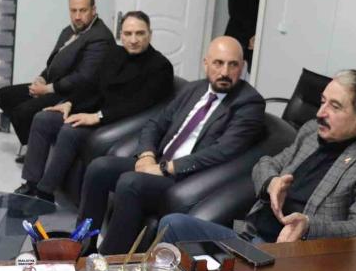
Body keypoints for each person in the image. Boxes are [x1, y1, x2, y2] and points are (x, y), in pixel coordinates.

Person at [159, 70, 356, 245]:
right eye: (322, 102)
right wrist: (271, 182)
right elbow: (267, 163)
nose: (320, 113)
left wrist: (309, 226)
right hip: (248, 235)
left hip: (288, 256)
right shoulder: (311, 132)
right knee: (173, 225)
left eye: (335, 107)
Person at [79, 36, 265, 255]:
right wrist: (146, 155)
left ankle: (109, 261)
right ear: (205, 63)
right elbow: (155, 124)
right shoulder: (194, 89)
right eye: (218, 63)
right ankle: (82, 246)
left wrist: (167, 168)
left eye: (233, 65)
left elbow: (222, 151)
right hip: (158, 163)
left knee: (131, 183)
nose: (225, 71)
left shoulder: (249, 103)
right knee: (99, 168)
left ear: (242, 67)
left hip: (187, 179)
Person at [15, 11, 174, 201]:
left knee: (70, 130)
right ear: (121, 35)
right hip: (94, 111)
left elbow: (138, 105)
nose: (133, 40)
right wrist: (70, 103)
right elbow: (92, 85)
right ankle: (31, 183)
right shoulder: (115, 53)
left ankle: (44, 192)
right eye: (128, 33)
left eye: (140, 33)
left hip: (120, 122)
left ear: (150, 34)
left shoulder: (160, 66)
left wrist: (97, 116)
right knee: (43, 118)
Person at [0, 0, 113, 160]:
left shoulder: (100, 36)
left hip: (74, 94)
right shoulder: (69, 31)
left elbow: (84, 77)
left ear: (93, 10)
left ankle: (37, 153)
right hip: (53, 85)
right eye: (73, 10)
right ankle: (37, 145)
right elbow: (54, 62)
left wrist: (48, 89)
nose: (77, 16)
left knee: (23, 112)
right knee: (4, 95)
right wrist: (41, 78)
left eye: (83, 10)